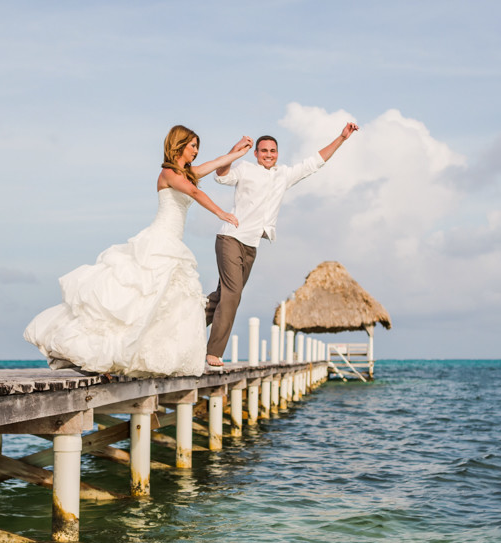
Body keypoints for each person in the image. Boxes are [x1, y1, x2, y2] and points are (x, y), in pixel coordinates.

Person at [24, 126, 251, 376]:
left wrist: (237, 151)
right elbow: (194, 192)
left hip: (172, 242)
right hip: (159, 239)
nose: (196, 151)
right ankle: (101, 352)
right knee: (140, 299)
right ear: (179, 145)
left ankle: (140, 355)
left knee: (161, 304)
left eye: (198, 146)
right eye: (192, 146)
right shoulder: (168, 173)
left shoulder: (188, 173)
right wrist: (221, 213)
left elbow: (216, 163)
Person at [204, 121, 359, 367]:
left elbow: (315, 162)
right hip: (230, 238)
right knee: (233, 295)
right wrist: (234, 151)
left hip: (251, 244)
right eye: (263, 151)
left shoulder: (283, 175)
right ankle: (213, 352)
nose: (268, 155)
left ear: (277, 154)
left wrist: (342, 138)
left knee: (223, 296)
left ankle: (185, 327)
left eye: (272, 151)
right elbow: (221, 176)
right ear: (256, 154)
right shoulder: (245, 168)